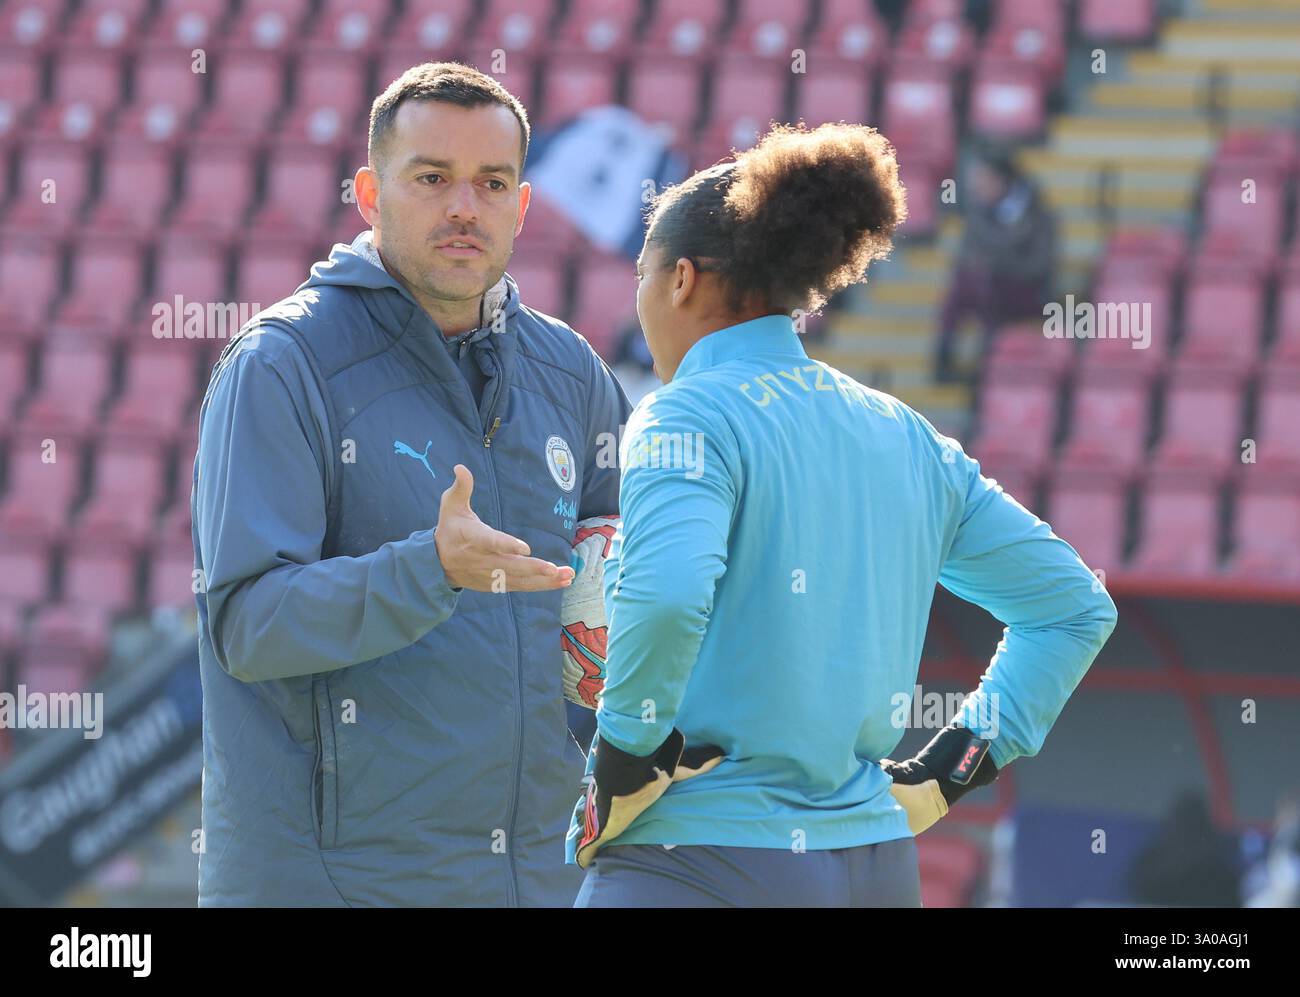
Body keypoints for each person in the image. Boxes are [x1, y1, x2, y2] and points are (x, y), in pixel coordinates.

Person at [568, 122, 1118, 907]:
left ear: (681, 279)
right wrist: (947, 770)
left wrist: (621, 761)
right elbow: (1072, 606)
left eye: (642, 277)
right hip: (877, 863)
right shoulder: (904, 433)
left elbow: (667, 594)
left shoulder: (679, 412)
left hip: (697, 857)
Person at [192, 62, 631, 906]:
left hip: (535, 881)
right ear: (368, 192)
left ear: (522, 206)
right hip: (333, 887)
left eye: (491, 182)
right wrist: (429, 568)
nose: (464, 205)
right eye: (433, 178)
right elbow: (246, 625)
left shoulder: (571, 373)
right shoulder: (281, 366)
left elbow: (635, 566)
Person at [932, 153, 1056, 382]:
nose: (978, 186)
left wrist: (998, 264)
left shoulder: (1039, 216)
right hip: (986, 288)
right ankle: (945, 359)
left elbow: (1040, 266)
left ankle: (983, 367)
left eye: (984, 179)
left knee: (984, 285)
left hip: (1028, 293)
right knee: (965, 284)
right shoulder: (979, 215)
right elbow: (967, 256)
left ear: (1002, 181)